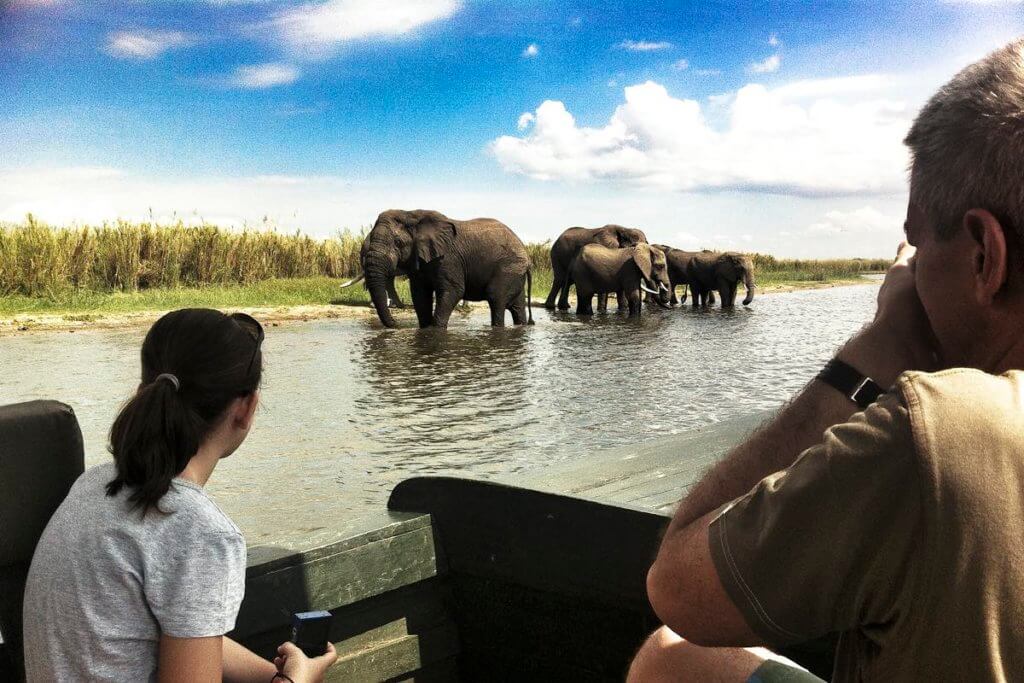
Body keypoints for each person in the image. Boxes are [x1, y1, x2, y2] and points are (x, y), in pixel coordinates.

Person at [630, 37, 1024, 682]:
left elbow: (677, 586)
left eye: (921, 245)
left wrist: (880, 350)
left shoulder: (947, 430)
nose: (914, 268)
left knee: (671, 649)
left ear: (984, 254)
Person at [22, 308, 338, 682]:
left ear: (145, 391)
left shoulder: (93, 486)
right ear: (246, 409)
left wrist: (271, 677)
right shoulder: (200, 532)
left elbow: (165, 631)